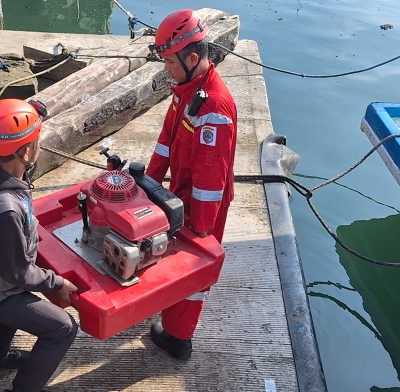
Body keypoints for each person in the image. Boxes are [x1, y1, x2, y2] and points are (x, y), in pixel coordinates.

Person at [0, 99, 79, 392]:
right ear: (25, 151)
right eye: (36, 142)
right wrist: (55, 282)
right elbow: (17, 273)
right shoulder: (4, 210)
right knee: (62, 328)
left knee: (19, 302)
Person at [146, 9, 237, 360]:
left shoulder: (214, 107)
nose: (165, 69)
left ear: (193, 58)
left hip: (203, 207)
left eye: (169, 62)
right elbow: (166, 141)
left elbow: (210, 182)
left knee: (192, 272)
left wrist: (200, 230)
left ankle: (178, 337)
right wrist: (146, 185)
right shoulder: (186, 91)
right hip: (181, 195)